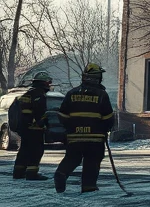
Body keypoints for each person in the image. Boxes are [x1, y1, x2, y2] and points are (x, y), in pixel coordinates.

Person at [54, 63, 115, 194]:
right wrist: (106, 129)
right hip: (95, 137)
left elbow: (62, 115)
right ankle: (88, 186)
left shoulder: (71, 93)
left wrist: (70, 128)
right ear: (97, 77)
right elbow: (108, 117)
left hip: (74, 136)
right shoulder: (101, 95)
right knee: (92, 160)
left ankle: (61, 173)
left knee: (72, 158)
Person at [12, 72, 52, 181]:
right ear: (43, 82)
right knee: (36, 150)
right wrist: (45, 123)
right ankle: (32, 173)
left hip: (24, 128)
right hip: (34, 128)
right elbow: (40, 112)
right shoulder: (39, 94)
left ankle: (18, 172)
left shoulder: (26, 93)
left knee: (24, 150)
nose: (49, 85)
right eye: (48, 82)